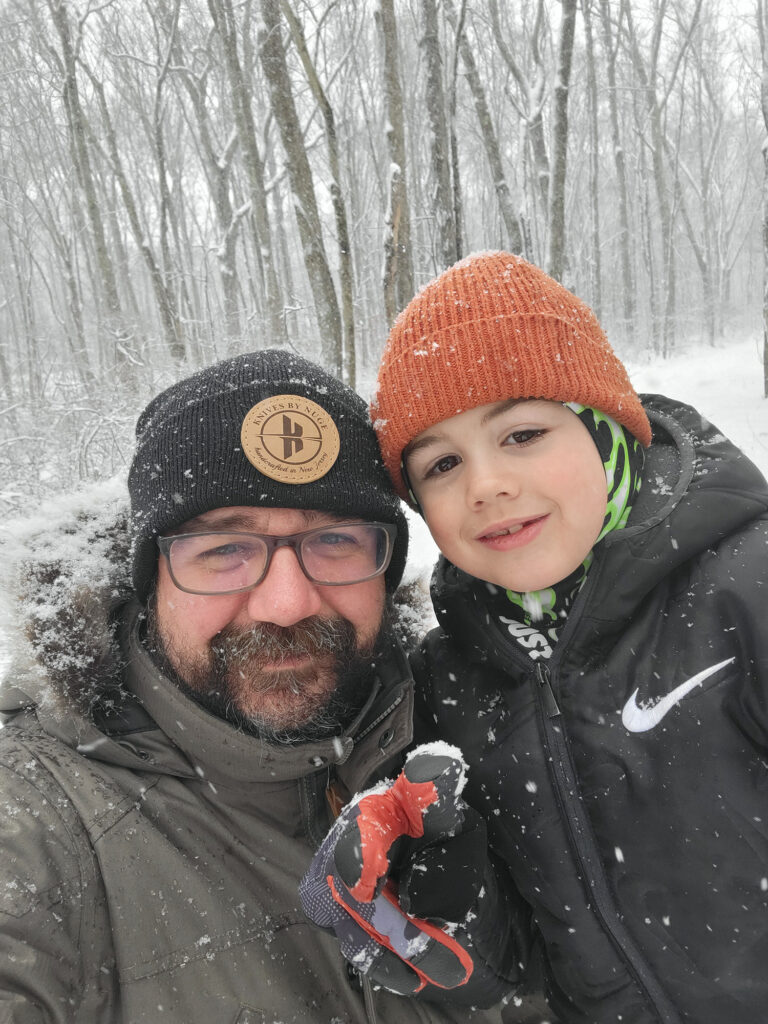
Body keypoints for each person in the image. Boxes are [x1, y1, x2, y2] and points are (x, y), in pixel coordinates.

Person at [0, 349, 514, 1023]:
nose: (287, 603)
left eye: (334, 542)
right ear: (150, 582)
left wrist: (511, 975)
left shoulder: (464, 727)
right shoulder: (34, 817)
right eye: (223, 550)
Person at [358, 251, 768, 1024]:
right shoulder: (453, 679)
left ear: (606, 429)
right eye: (441, 464)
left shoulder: (745, 591)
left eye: (521, 434)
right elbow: (534, 965)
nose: (485, 485)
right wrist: (452, 910)